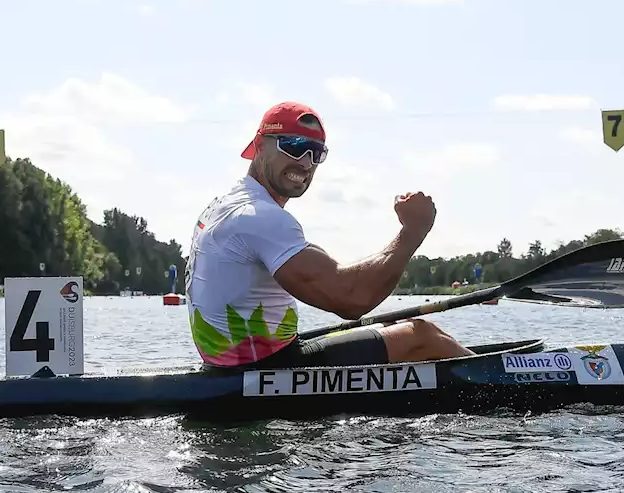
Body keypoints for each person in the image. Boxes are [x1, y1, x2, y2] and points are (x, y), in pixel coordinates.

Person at [185, 101, 474, 370]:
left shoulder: (223, 205)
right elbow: (351, 299)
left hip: (233, 366)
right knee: (421, 335)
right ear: (260, 145)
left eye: (316, 152)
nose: (306, 162)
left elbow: (339, 280)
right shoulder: (260, 217)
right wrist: (413, 231)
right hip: (268, 368)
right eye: (294, 146)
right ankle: (507, 381)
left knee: (394, 325)